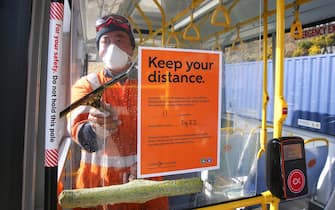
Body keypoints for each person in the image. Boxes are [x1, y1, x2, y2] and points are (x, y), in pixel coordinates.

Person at [68, 14, 169, 210]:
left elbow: (168, 132)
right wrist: (95, 131)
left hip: (147, 186)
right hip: (99, 188)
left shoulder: (153, 85)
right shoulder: (87, 86)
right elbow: (81, 134)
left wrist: (151, 165)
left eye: (120, 39)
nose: (112, 46)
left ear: (131, 48)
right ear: (99, 50)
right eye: (106, 41)